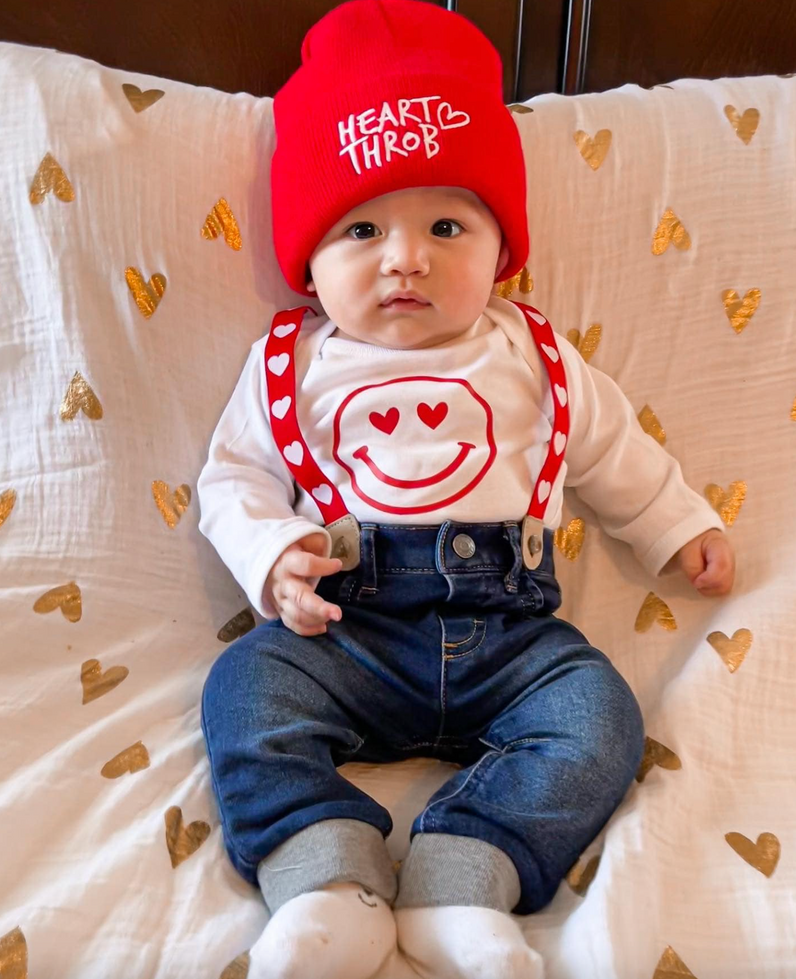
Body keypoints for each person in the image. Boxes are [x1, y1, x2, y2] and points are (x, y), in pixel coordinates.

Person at [198, 2, 736, 977]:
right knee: (245, 688)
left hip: (512, 643)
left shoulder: (532, 352)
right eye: (360, 228)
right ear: (309, 267)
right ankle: (327, 879)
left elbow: (612, 448)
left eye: (445, 224)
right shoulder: (291, 362)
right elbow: (231, 477)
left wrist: (677, 527)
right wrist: (272, 555)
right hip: (343, 633)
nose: (405, 257)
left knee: (599, 715)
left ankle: (463, 872)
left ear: (501, 250)